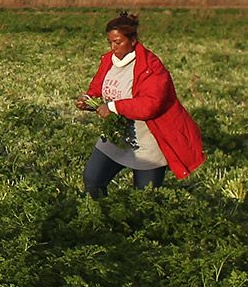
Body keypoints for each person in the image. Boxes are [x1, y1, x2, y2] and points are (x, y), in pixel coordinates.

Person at [74, 11, 204, 197]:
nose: (113, 47)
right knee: (92, 180)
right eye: (110, 42)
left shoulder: (151, 67)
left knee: (144, 199)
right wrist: (89, 100)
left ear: (133, 40)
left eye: (118, 42)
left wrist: (112, 107)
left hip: (148, 143)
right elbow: (97, 88)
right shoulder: (109, 61)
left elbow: (150, 105)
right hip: (116, 136)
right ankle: (103, 221)